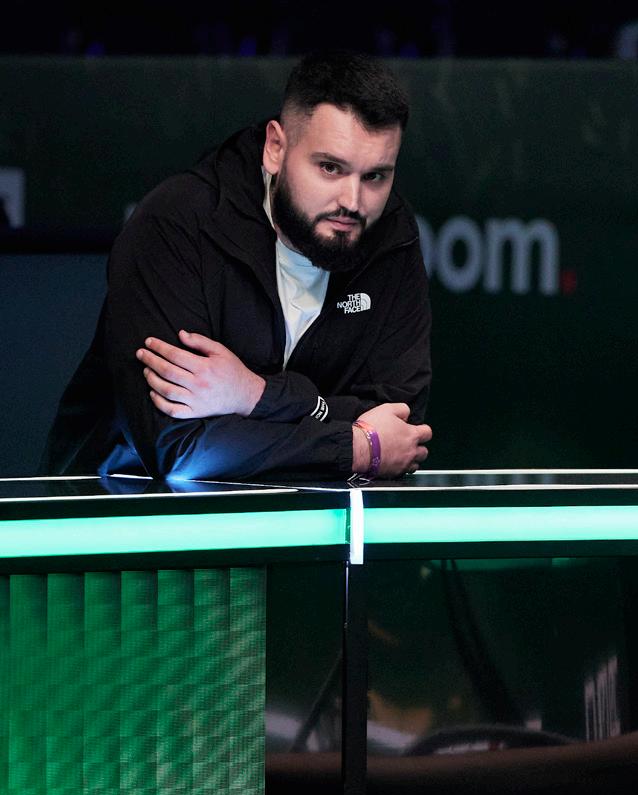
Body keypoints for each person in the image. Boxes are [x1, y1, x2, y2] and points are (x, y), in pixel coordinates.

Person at [43, 50, 432, 481]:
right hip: (118, 508)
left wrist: (255, 395)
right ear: (275, 148)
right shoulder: (178, 223)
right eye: (329, 168)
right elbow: (181, 450)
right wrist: (356, 448)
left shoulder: (392, 235)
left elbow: (401, 424)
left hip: (317, 516)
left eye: (375, 176)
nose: (353, 202)